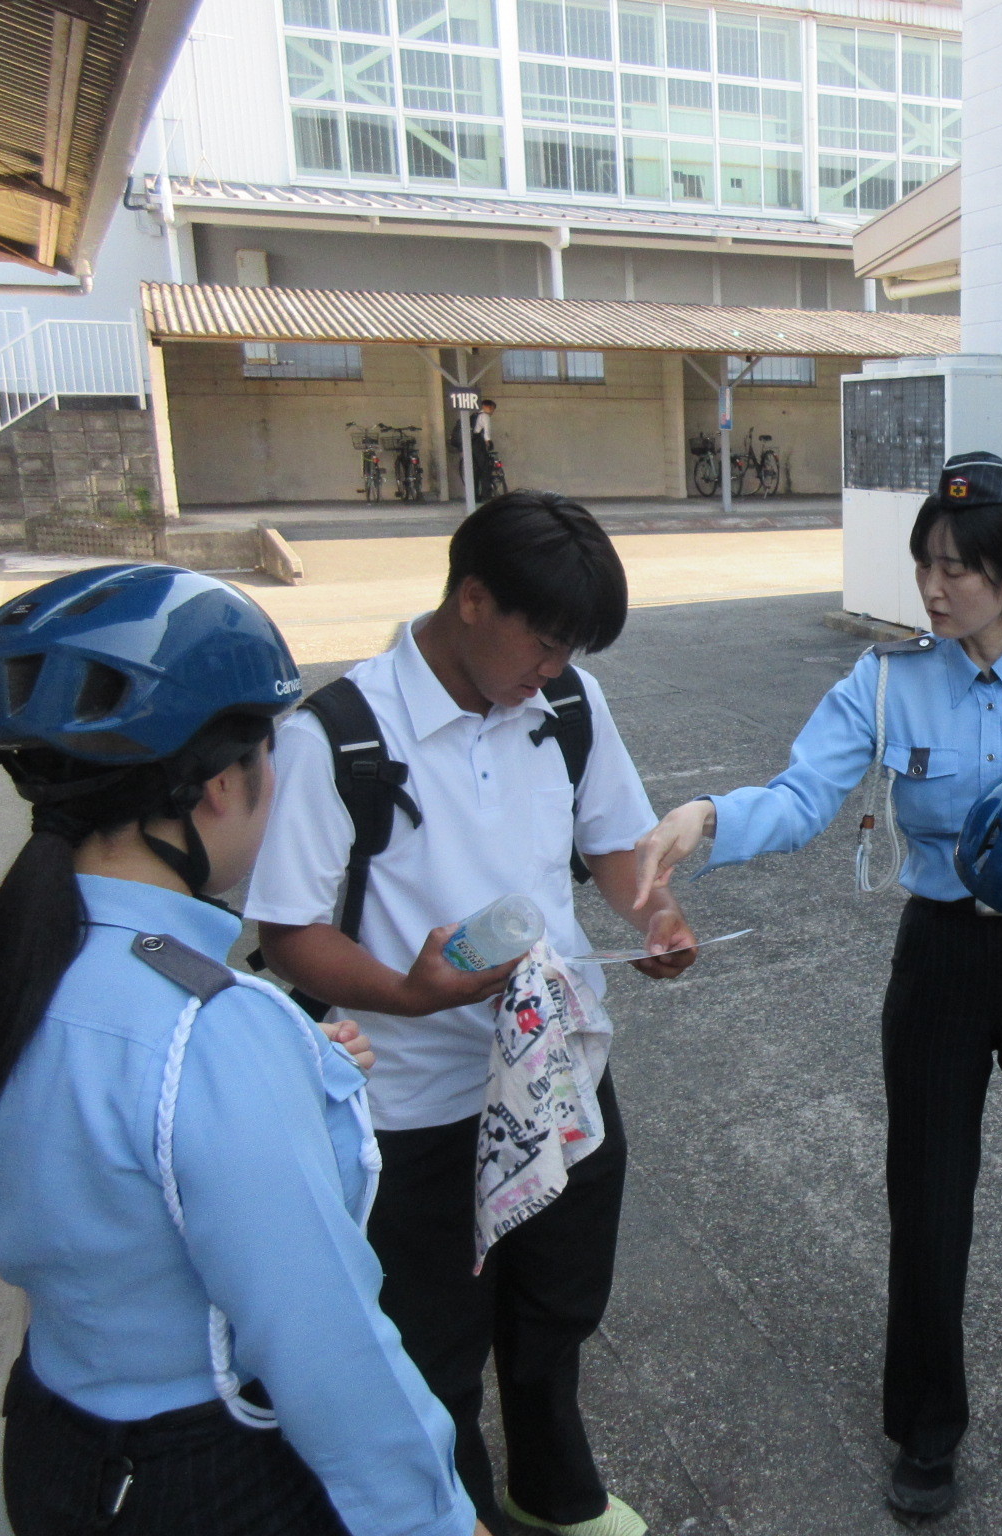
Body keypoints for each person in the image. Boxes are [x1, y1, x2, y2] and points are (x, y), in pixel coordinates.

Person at [631, 451, 1002, 1526]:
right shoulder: (885, 679)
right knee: (926, 1204)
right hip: (941, 962)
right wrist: (707, 822)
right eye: (924, 564)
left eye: (957, 569)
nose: (932, 588)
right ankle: (925, 1432)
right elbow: (800, 795)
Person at [0, 563, 480, 1536]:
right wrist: (436, 1518)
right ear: (223, 785)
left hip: (56, 1445)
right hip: (209, 1477)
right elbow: (324, 1344)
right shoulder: (212, 1029)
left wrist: (298, 1072)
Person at [249, 492, 698, 1536]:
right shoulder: (338, 736)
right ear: (470, 600)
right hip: (413, 1106)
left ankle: (550, 1492)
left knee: (556, 1310)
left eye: (569, 649)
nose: (552, 668)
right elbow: (289, 931)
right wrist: (408, 994)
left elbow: (615, 845)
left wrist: (655, 912)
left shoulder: (567, 704)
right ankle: (450, 1511)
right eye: (541, 642)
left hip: (557, 1076)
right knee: (432, 1340)